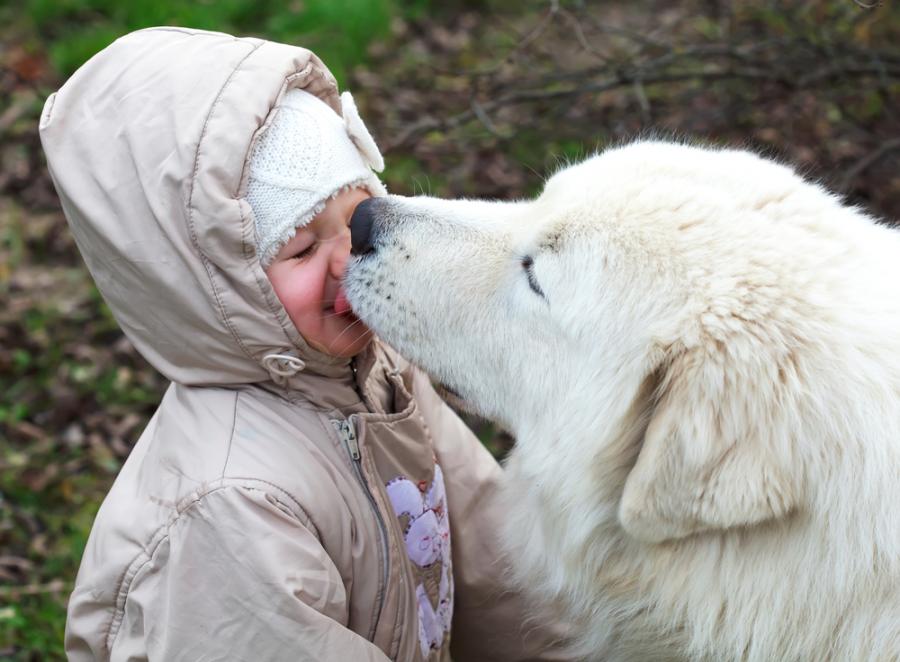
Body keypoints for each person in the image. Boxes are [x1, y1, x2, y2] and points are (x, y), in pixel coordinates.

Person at [39, 27, 572, 661]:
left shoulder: (381, 372)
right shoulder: (229, 508)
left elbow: (493, 556)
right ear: (209, 287)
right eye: (299, 248)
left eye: (356, 219)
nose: (349, 260)